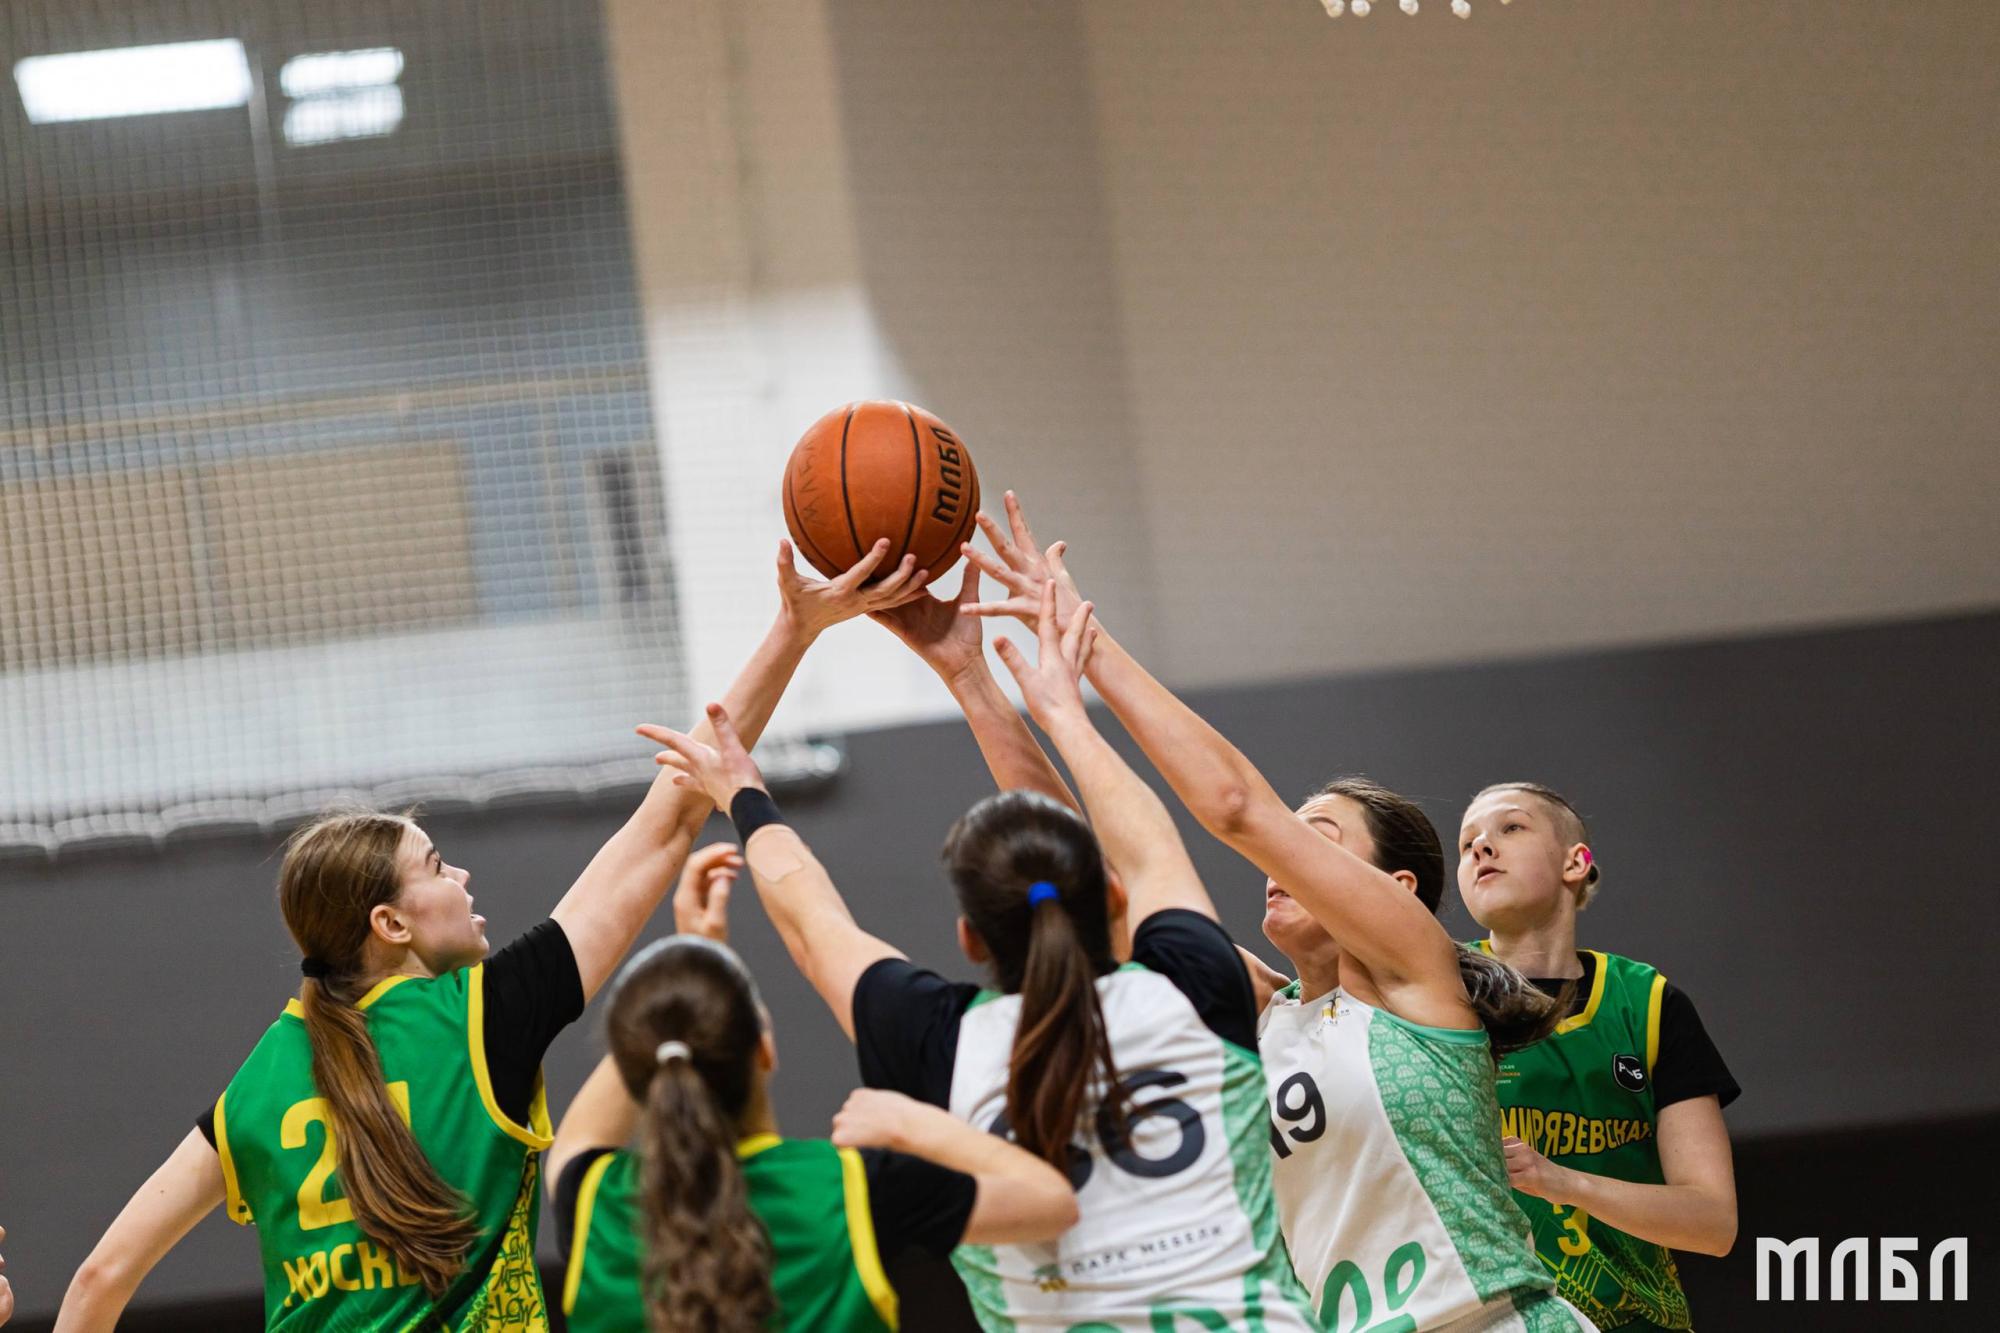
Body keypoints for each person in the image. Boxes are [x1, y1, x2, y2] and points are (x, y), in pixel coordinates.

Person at [53, 540, 930, 1333]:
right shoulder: (480, 1019)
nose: (463, 877)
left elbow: (98, 1278)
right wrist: (794, 630)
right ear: (390, 923)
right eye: (437, 867)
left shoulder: (256, 1084)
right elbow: (668, 819)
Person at [964, 493, 1593, 1332]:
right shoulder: (1257, 1011)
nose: (1280, 860)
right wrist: (968, 675)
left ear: (1395, 887)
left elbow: (1235, 805)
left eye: (1315, 840)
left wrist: (1084, 644)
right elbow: (1088, 878)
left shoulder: (1416, 979)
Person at [643, 582, 1322, 1331]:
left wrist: (744, 795)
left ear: (970, 936)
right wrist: (1058, 710)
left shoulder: (936, 1040)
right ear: (1114, 895)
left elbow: (813, 924)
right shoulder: (1193, 985)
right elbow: (1149, 846)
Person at [547, 842, 1079, 1332]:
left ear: (639, 1065)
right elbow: (1051, 1200)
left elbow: (580, 1136)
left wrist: (690, 968)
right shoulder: (853, 1188)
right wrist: (915, 1126)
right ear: (764, 1049)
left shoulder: (594, 1203)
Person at [1458, 783, 1739, 1332]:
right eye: (1468, 843)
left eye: (1511, 827)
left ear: (1576, 862)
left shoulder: (1649, 1003)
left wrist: (1560, 1182)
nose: (1481, 848)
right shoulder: (1438, 987)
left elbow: (1713, 1222)